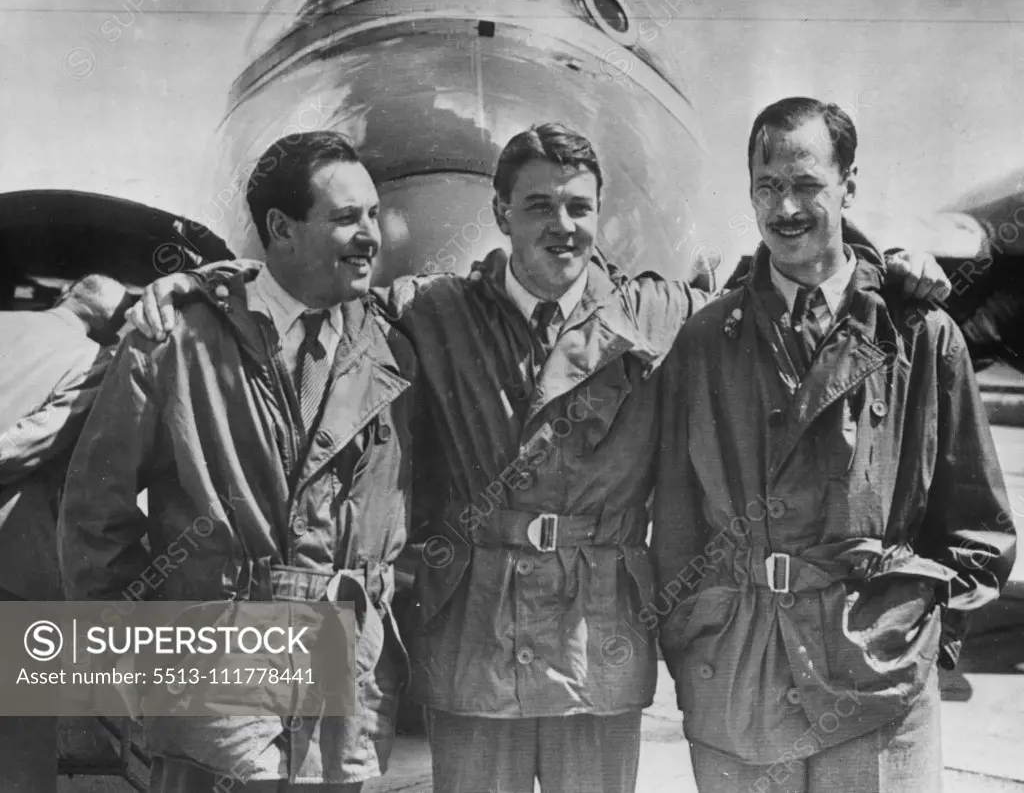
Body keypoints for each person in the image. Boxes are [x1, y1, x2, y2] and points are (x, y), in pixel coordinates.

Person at [127, 123, 951, 793]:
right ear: (501, 212)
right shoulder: (431, 310)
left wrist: (883, 267)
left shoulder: (659, 314)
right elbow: (314, 292)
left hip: (599, 641)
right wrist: (210, 283)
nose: (563, 225)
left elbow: (785, 293)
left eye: (580, 207)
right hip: (475, 637)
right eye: (539, 205)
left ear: (601, 216)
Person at [652, 97, 1017, 793]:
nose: (785, 206)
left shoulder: (921, 333)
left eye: (807, 183)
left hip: (876, 689)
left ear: (850, 183)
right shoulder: (704, 340)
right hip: (740, 685)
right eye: (767, 186)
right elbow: (675, 525)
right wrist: (698, 641)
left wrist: (912, 630)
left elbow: (977, 527)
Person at [59, 131, 418, 792]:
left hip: (343, 700)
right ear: (281, 228)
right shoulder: (173, 341)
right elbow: (93, 521)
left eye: (372, 213)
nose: (372, 233)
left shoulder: (396, 341)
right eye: (346, 217)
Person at [0, 273, 130, 793]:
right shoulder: (93, 361)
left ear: (65, 296)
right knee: (23, 728)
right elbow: (36, 444)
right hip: (17, 563)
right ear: (108, 324)